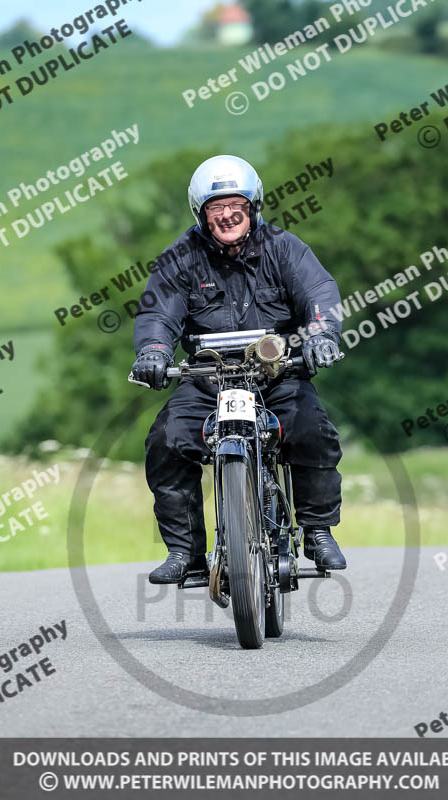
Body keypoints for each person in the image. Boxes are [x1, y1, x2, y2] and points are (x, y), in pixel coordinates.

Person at [131, 155, 347, 584]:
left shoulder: (284, 248)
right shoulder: (179, 259)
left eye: (237, 205)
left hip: (277, 375)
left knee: (313, 430)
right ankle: (185, 552)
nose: (227, 215)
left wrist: (321, 335)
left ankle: (318, 531)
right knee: (166, 441)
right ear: (200, 213)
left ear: (254, 206)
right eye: (216, 207)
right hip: (208, 380)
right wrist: (153, 351)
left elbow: (319, 293)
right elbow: (159, 313)